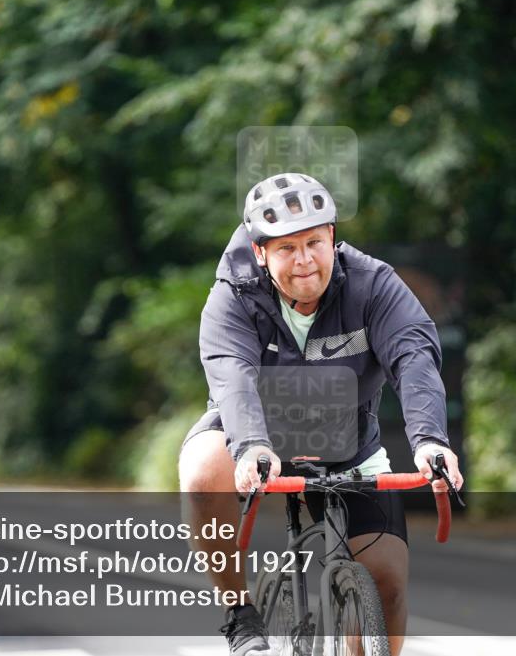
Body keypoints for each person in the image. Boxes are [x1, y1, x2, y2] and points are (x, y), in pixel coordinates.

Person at [178, 173, 464, 656]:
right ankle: (238, 611)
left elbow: (413, 356)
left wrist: (430, 440)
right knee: (204, 471)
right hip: (255, 430)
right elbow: (231, 376)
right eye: (287, 248)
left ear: (332, 236)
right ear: (260, 250)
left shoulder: (373, 283)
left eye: (314, 242)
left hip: (346, 438)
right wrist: (250, 447)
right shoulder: (234, 294)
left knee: (388, 584)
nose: (305, 260)